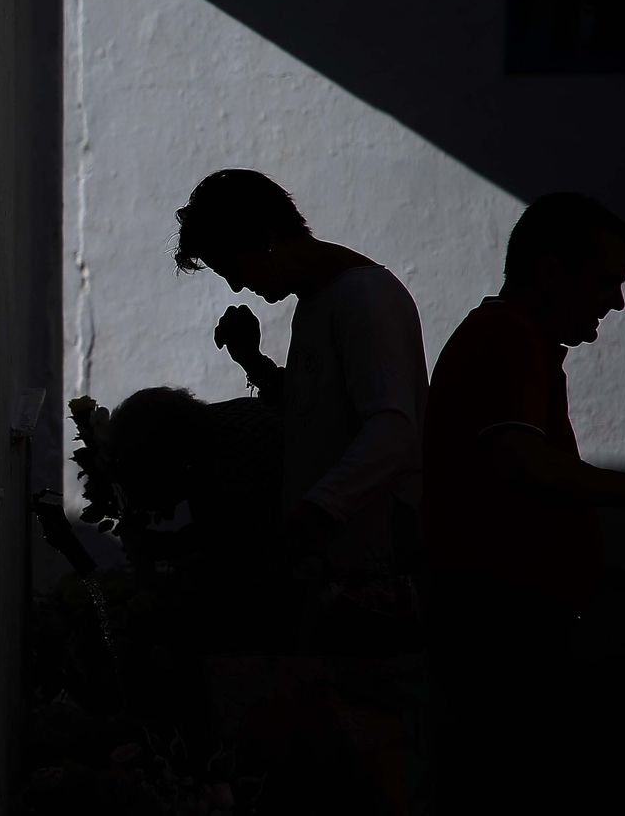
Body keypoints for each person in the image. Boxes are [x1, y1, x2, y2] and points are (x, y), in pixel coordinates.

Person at [421, 192, 625, 810]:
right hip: (502, 632)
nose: (618, 300)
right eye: (606, 280)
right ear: (551, 271)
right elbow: (519, 461)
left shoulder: (516, 341)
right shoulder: (506, 339)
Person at [174, 168, 429, 814]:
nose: (236, 285)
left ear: (264, 236)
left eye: (231, 264)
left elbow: (394, 429)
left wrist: (316, 513)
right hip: (336, 572)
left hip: (373, 571)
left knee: (376, 753)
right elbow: (324, 417)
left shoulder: (364, 297)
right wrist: (256, 365)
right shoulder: (320, 304)